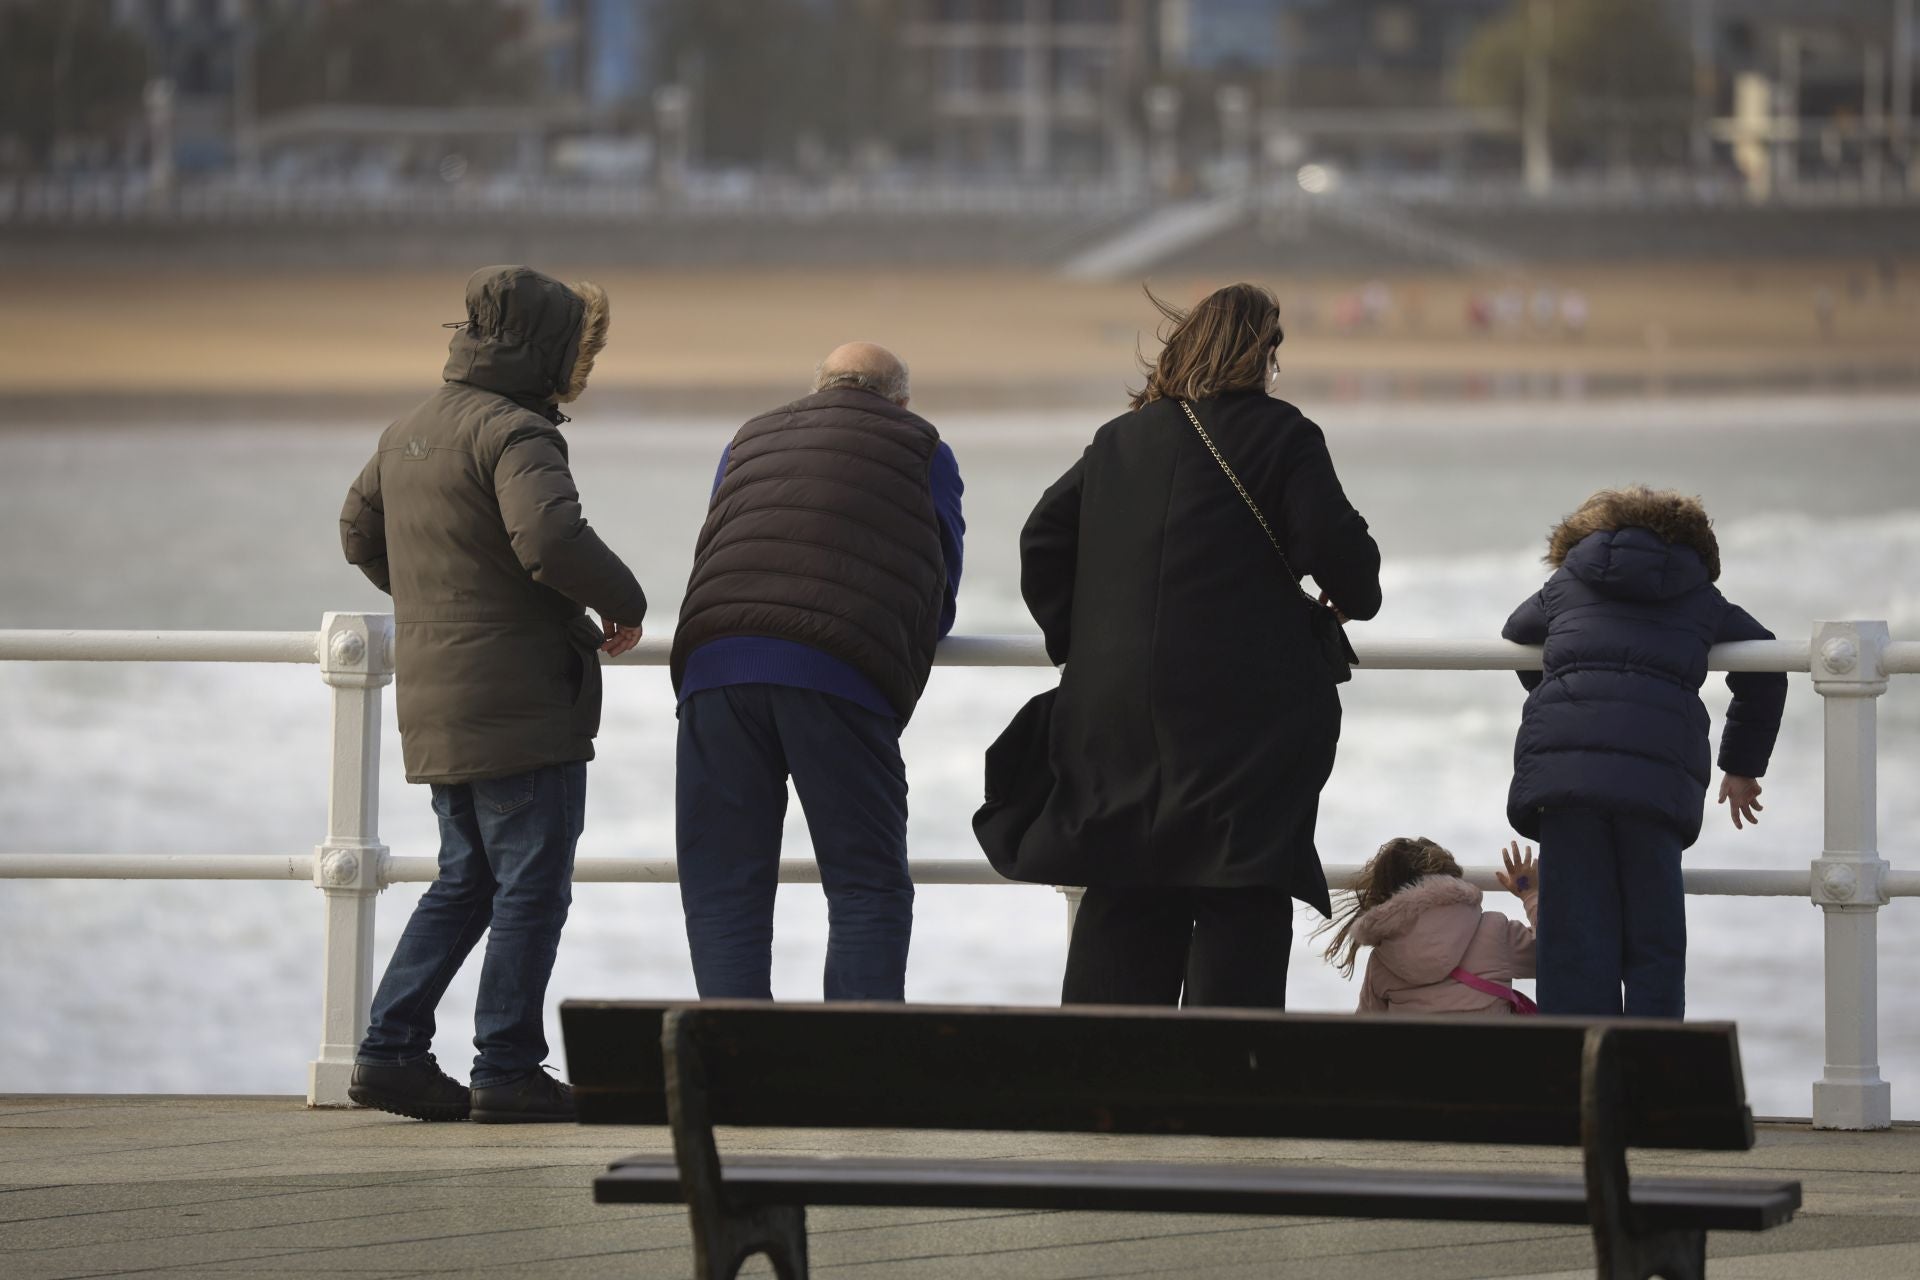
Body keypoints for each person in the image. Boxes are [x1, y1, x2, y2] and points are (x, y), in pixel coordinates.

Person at [1017, 283, 1382, 1008]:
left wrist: (1085, 643)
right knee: (1238, 895)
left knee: (1124, 889)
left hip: (1115, 715)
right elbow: (1352, 575)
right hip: (1239, 722)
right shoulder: (1284, 436)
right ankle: (1225, 1104)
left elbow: (1043, 539)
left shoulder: (1122, 438)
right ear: (1261, 355)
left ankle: (1104, 1097)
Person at [339, 265, 646, 1122]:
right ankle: (505, 1069)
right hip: (519, 703)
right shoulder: (517, 433)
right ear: (552, 351)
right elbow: (549, 538)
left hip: (440, 699)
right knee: (529, 888)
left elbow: (358, 531)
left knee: (463, 881)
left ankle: (388, 1053)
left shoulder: (410, 429)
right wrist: (625, 602)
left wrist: (440, 602)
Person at [669, 343, 964, 1001]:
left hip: (714, 667)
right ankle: (849, 1079)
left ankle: (735, 1069)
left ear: (818, 389)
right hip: (838, 674)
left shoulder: (748, 439)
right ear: (901, 402)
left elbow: (726, 540)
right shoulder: (922, 448)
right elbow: (938, 591)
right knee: (866, 881)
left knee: (724, 884)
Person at [1503, 486, 1787, 1018]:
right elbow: (1766, 665)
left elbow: (1518, 635)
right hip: (1653, 787)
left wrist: (1564, 688)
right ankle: (1651, 1078)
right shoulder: (1700, 595)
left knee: (1572, 949)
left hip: (1569, 779)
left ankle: (1576, 1077)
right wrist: (1742, 766)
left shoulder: (1567, 580)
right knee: (1654, 946)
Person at [1320, 837, 1538, 1015]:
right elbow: (1556, 953)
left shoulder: (1383, 960)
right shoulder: (1495, 931)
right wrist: (1529, 893)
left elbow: (1364, 1037)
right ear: (1452, 881)